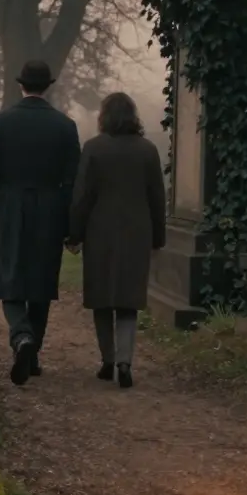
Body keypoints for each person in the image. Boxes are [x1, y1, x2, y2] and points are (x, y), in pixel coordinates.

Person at [0, 60, 81, 386]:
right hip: (49, 208)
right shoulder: (65, 126)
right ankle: (32, 354)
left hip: (10, 204)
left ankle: (21, 336)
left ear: (21, 85)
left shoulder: (0, 122)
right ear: (47, 86)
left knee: (9, 279)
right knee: (40, 283)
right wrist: (67, 222)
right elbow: (72, 180)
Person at [66, 92, 166, 389]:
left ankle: (107, 359)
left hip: (100, 232)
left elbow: (82, 196)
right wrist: (158, 237)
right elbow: (157, 198)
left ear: (104, 117)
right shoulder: (148, 150)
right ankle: (125, 361)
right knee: (127, 301)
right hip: (136, 232)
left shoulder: (94, 148)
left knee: (101, 299)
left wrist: (74, 233)